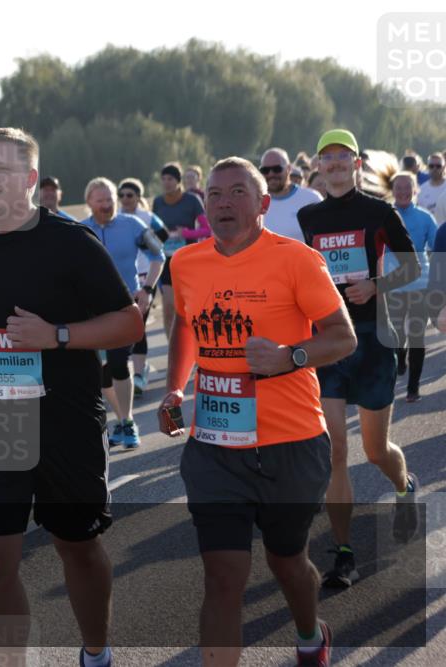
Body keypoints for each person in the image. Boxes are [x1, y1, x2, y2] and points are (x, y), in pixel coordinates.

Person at [0, 127, 143, 667]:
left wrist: (57, 335)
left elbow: (128, 322)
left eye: (1, 169)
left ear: (30, 178)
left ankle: (96, 653)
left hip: (63, 417)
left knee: (77, 545)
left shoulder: (71, 241)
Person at [159, 157, 356, 667]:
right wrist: (174, 389)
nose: (224, 203)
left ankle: (310, 635)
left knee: (288, 562)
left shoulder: (297, 260)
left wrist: (291, 356)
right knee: (223, 577)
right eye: (215, 194)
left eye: (237, 193)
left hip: (290, 443)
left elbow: (342, 337)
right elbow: (185, 325)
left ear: (263, 202)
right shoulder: (186, 263)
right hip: (215, 446)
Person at [297, 130, 421, 589]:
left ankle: (405, 486)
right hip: (330, 341)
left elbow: (413, 266)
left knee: (374, 451)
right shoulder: (309, 217)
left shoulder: (379, 212)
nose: (333, 164)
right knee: (335, 451)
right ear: (318, 165)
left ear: (356, 163)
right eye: (326, 157)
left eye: (341, 157)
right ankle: (344, 552)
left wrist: (375, 285)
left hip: (373, 341)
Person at [80, 177, 164, 448]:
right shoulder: (80, 231)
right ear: (89, 202)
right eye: (101, 201)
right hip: (93, 311)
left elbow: (159, 254)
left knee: (117, 362)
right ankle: (124, 420)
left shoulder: (133, 225)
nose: (107, 205)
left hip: (125, 306)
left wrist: (148, 289)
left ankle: (126, 423)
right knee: (101, 373)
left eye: (110, 199)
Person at [383, 172, 438, 402]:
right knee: (396, 337)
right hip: (393, 286)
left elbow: (437, 247)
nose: (403, 191)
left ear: (415, 190)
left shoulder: (425, 217)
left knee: (416, 336)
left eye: (408, 187)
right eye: (399, 187)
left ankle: (413, 388)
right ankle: (400, 354)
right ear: (392, 190)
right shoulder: (384, 216)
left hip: (420, 285)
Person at [118, 178, 170, 396]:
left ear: (138, 197)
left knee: (138, 322)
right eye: (121, 195)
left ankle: (139, 374)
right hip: (122, 279)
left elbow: (164, 235)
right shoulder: (115, 217)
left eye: (129, 195)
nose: (125, 199)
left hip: (146, 278)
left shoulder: (147, 217)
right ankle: (125, 371)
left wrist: (147, 245)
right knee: (122, 326)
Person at [154, 162, 210, 345]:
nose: (166, 182)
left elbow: (207, 229)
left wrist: (185, 233)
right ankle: (174, 349)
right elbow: (153, 229)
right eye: (163, 179)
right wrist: (162, 236)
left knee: (191, 307)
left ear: (178, 181)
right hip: (166, 260)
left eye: (170, 179)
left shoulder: (192, 200)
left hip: (188, 259)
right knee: (169, 308)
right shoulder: (158, 202)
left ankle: (196, 344)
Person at [259, 148, 323, 243]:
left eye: (277, 169)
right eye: (265, 170)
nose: (271, 174)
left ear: (289, 169)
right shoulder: (254, 203)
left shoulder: (311, 199)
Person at [417, 153, 445, 219]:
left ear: (444, 167)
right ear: (427, 167)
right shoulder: (421, 190)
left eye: (438, 166)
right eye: (431, 166)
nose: (434, 169)